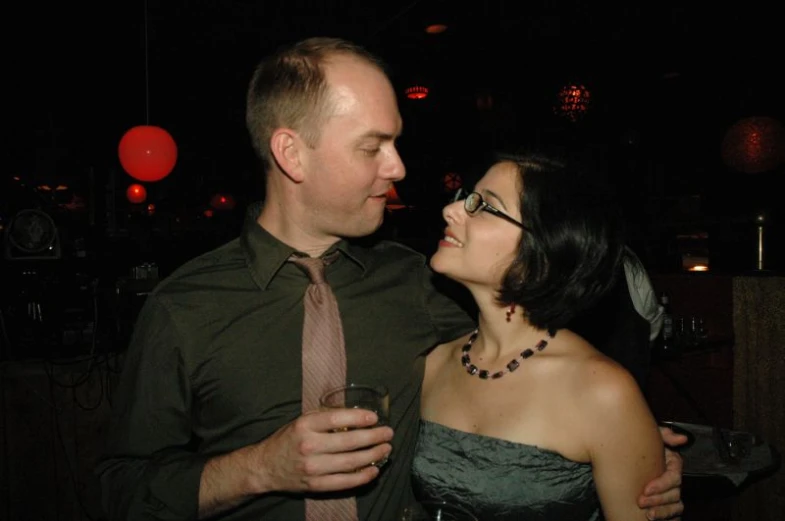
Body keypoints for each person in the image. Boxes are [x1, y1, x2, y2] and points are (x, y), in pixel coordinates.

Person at [96, 37, 685, 521]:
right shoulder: (184, 306)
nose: (399, 167)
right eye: (373, 147)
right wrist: (258, 469)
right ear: (291, 155)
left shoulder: (421, 282)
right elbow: (118, 490)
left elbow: (527, 363)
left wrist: (625, 449)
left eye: (396, 142)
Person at [415, 152, 671, 521]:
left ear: (543, 252)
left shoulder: (602, 390)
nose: (450, 211)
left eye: (484, 205)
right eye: (467, 198)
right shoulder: (436, 364)